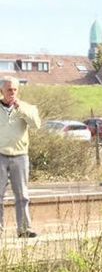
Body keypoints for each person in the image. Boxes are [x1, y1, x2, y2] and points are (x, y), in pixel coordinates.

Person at [0, 77, 42, 238]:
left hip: (20, 156)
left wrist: (21, 110)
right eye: (9, 89)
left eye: (15, 90)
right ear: (2, 91)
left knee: (22, 195)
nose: (12, 93)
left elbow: (36, 124)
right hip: (0, 155)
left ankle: (24, 229)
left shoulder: (27, 108)